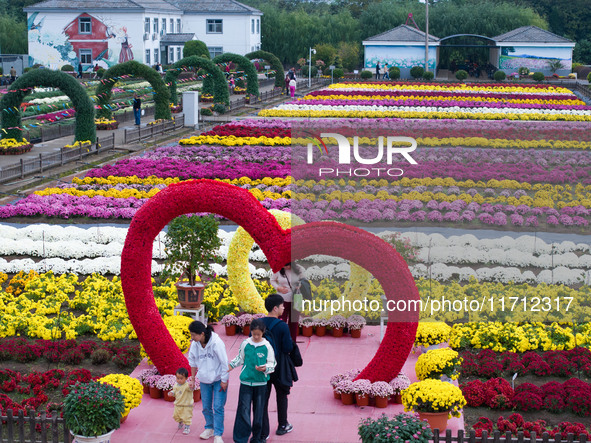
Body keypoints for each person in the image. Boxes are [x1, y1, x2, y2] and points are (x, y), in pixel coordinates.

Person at [229, 319, 276, 443]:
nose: (255, 336)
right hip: (246, 383)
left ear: (263, 333)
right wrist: (231, 366)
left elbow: (272, 363)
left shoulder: (267, 346)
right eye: (254, 334)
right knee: (243, 410)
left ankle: (257, 438)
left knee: (259, 412)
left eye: (258, 334)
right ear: (251, 332)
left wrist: (265, 368)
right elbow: (240, 358)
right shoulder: (245, 343)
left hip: (261, 384)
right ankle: (241, 438)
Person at [261, 294, 296, 440]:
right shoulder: (282, 326)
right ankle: (283, 425)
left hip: (262, 367)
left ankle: (264, 430)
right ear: (275, 308)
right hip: (279, 366)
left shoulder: (258, 323)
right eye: (282, 306)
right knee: (281, 396)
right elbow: (288, 347)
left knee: (262, 398)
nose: (283, 308)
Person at [188, 321, 229, 443]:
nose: (192, 338)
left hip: (218, 379)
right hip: (204, 380)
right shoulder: (195, 344)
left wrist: (224, 380)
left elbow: (224, 362)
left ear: (202, 334)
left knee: (218, 407)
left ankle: (218, 434)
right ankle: (209, 428)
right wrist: (193, 378)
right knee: (206, 407)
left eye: (194, 335)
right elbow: (193, 361)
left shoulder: (216, 343)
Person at [270, 262, 304, 341]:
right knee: (281, 321)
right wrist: (278, 288)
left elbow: (303, 280)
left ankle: (292, 343)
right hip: (282, 299)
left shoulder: (298, 269)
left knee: (294, 323)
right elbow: (272, 280)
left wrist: (299, 285)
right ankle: (280, 342)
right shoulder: (278, 269)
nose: (285, 267)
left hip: (296, 298)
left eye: (287, 265)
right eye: (284, 265)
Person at [169, 367, 194, 435]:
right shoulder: (176, 385)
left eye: (181, 378)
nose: (179, 380)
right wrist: (172, 393)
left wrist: (191, 386)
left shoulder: (187, 386)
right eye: (178, 378)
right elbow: (175, 391)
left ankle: (187, 427)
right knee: (176, 415)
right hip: (178, 404)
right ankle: (180, 421)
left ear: (186, 378)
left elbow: (191, 389)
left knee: (187, 416)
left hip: (186, 405)